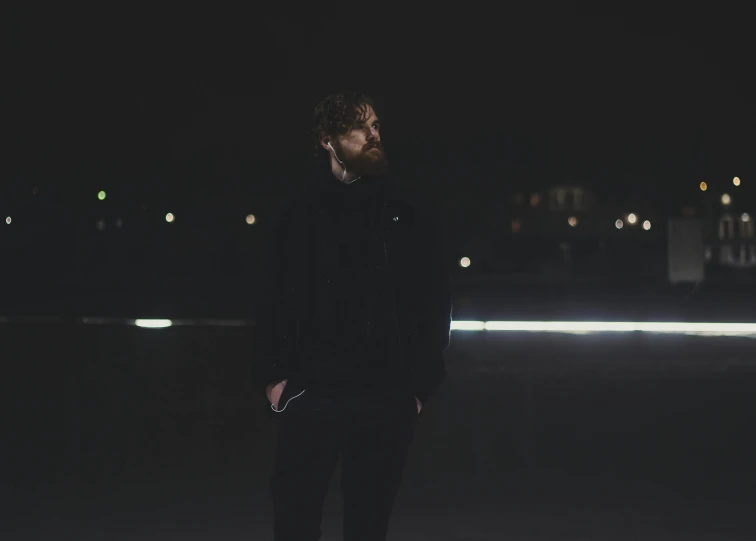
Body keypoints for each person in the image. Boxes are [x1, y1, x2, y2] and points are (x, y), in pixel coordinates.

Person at [255, 91, 452, 540]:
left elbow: (433, 299)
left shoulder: (405, 211)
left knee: (368, 527)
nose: (374, 135)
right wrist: (274, 378)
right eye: (359, 128)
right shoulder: (297, 213)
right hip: (312, 394)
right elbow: (270, 299)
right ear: (327, 140)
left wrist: (418, 387)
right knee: (295, 522)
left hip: (385, 398)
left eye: (377, 125)